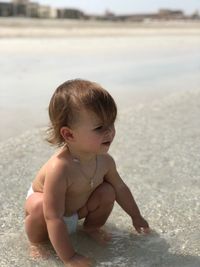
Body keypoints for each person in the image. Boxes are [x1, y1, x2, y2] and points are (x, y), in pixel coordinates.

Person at [24, 79, 150, 267]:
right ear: (69, 135)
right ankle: (36, 243)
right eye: (99, 128)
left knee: (108, 191)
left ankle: (91, 228)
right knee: (39, 206)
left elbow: (121, 188)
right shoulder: (59, 168)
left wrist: (136, 217)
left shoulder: (105, 161)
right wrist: (70, 257)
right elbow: (53, 217)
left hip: (75, 210)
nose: (110, 132)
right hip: (49, 214)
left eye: (111, 123)